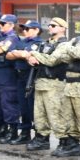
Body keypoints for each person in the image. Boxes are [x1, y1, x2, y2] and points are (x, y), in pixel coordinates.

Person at [29, 11, 80, 160]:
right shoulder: (75, 40)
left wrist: (70, 51)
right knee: (68, 119)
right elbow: (56, 58)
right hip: (68, 84)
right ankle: (72, 146)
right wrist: (74, 52)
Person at [19, 18, 69, 152]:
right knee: (39, 115)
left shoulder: (64, 44)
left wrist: (33, 54)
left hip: (54, 84)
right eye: (49, 25)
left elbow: (52, 60)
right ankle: (42, 139)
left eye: (53, 25)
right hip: (40, 82)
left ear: (63, 28)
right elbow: (38, 59)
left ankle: (65, 143)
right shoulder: (45, 43)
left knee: (55, 115)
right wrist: (31, 59)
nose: (50, 28)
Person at [4, 20, 43, 145]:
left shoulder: (40, 43)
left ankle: (38, 135)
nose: (25, 31)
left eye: (28, 29)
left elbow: (36, 58)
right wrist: (21, 54)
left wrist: (18, 53)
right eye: (23, 29)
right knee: (23, 106)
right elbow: (8, 55)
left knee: (33, 107)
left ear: (36, 30)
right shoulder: (21, 42)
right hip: (20, 76)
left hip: (31, 77)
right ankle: (25, 133)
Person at [0, 14, 21, 143]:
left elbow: (0, 49)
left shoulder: (12, 37)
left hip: (6, 72)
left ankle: (12, 130)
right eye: (0, 23)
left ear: (11, 25)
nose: (0, 25)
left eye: (3, 24)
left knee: (7, 101)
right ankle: (1, 128)